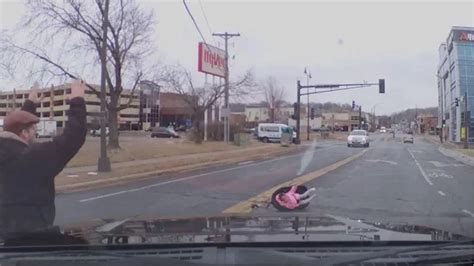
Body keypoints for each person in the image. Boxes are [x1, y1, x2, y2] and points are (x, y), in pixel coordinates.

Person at [0, 79, 87, 237]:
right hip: (33, 239)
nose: (36, 133)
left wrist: (30, 104)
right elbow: (73, 138)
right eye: (34, 130)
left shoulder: (8, 152)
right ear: (25, 133)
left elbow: (17, 126)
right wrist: (77, 101)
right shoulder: (32, 157)